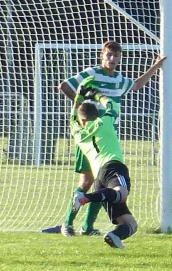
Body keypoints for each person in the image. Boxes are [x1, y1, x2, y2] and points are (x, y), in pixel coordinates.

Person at [58, 41, 166, 237]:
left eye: (116, 56)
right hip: (90, 134)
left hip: (107, 135)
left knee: (103, 181)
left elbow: (137, 84)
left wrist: (156, 66)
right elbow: (64, 86)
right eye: (108, 55)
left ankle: (88, 228)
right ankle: (67, 224)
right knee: (86, 181)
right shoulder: (92, 73)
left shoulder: (119, 80)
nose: (112, 59)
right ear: (102, 55)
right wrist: (81, 104)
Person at [70, 82, 140, 249]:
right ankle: (84, 198)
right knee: (121, 193)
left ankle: (114, 236)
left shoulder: (78, 133)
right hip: (113, 167)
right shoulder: (105, 122)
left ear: (83, 120)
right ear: (97, 114)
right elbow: (112, 104)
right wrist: (95, 93)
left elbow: (73, 117)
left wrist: (78, 96)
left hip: (99, 180)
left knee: (130, 224)